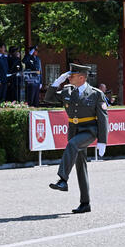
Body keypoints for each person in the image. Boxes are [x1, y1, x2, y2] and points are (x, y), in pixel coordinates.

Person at [45, 64, 109, 214]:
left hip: (89, 131)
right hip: (74, 130)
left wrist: (102, 140)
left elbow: (103, 118)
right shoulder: (67, 90)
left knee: (72, 145)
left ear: (82, 77)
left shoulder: (95, 94)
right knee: (81, 167)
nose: (68, 77)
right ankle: (85, 203)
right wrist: (56, 83)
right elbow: (49, 98)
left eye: (71, 76)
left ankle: (62, 180)